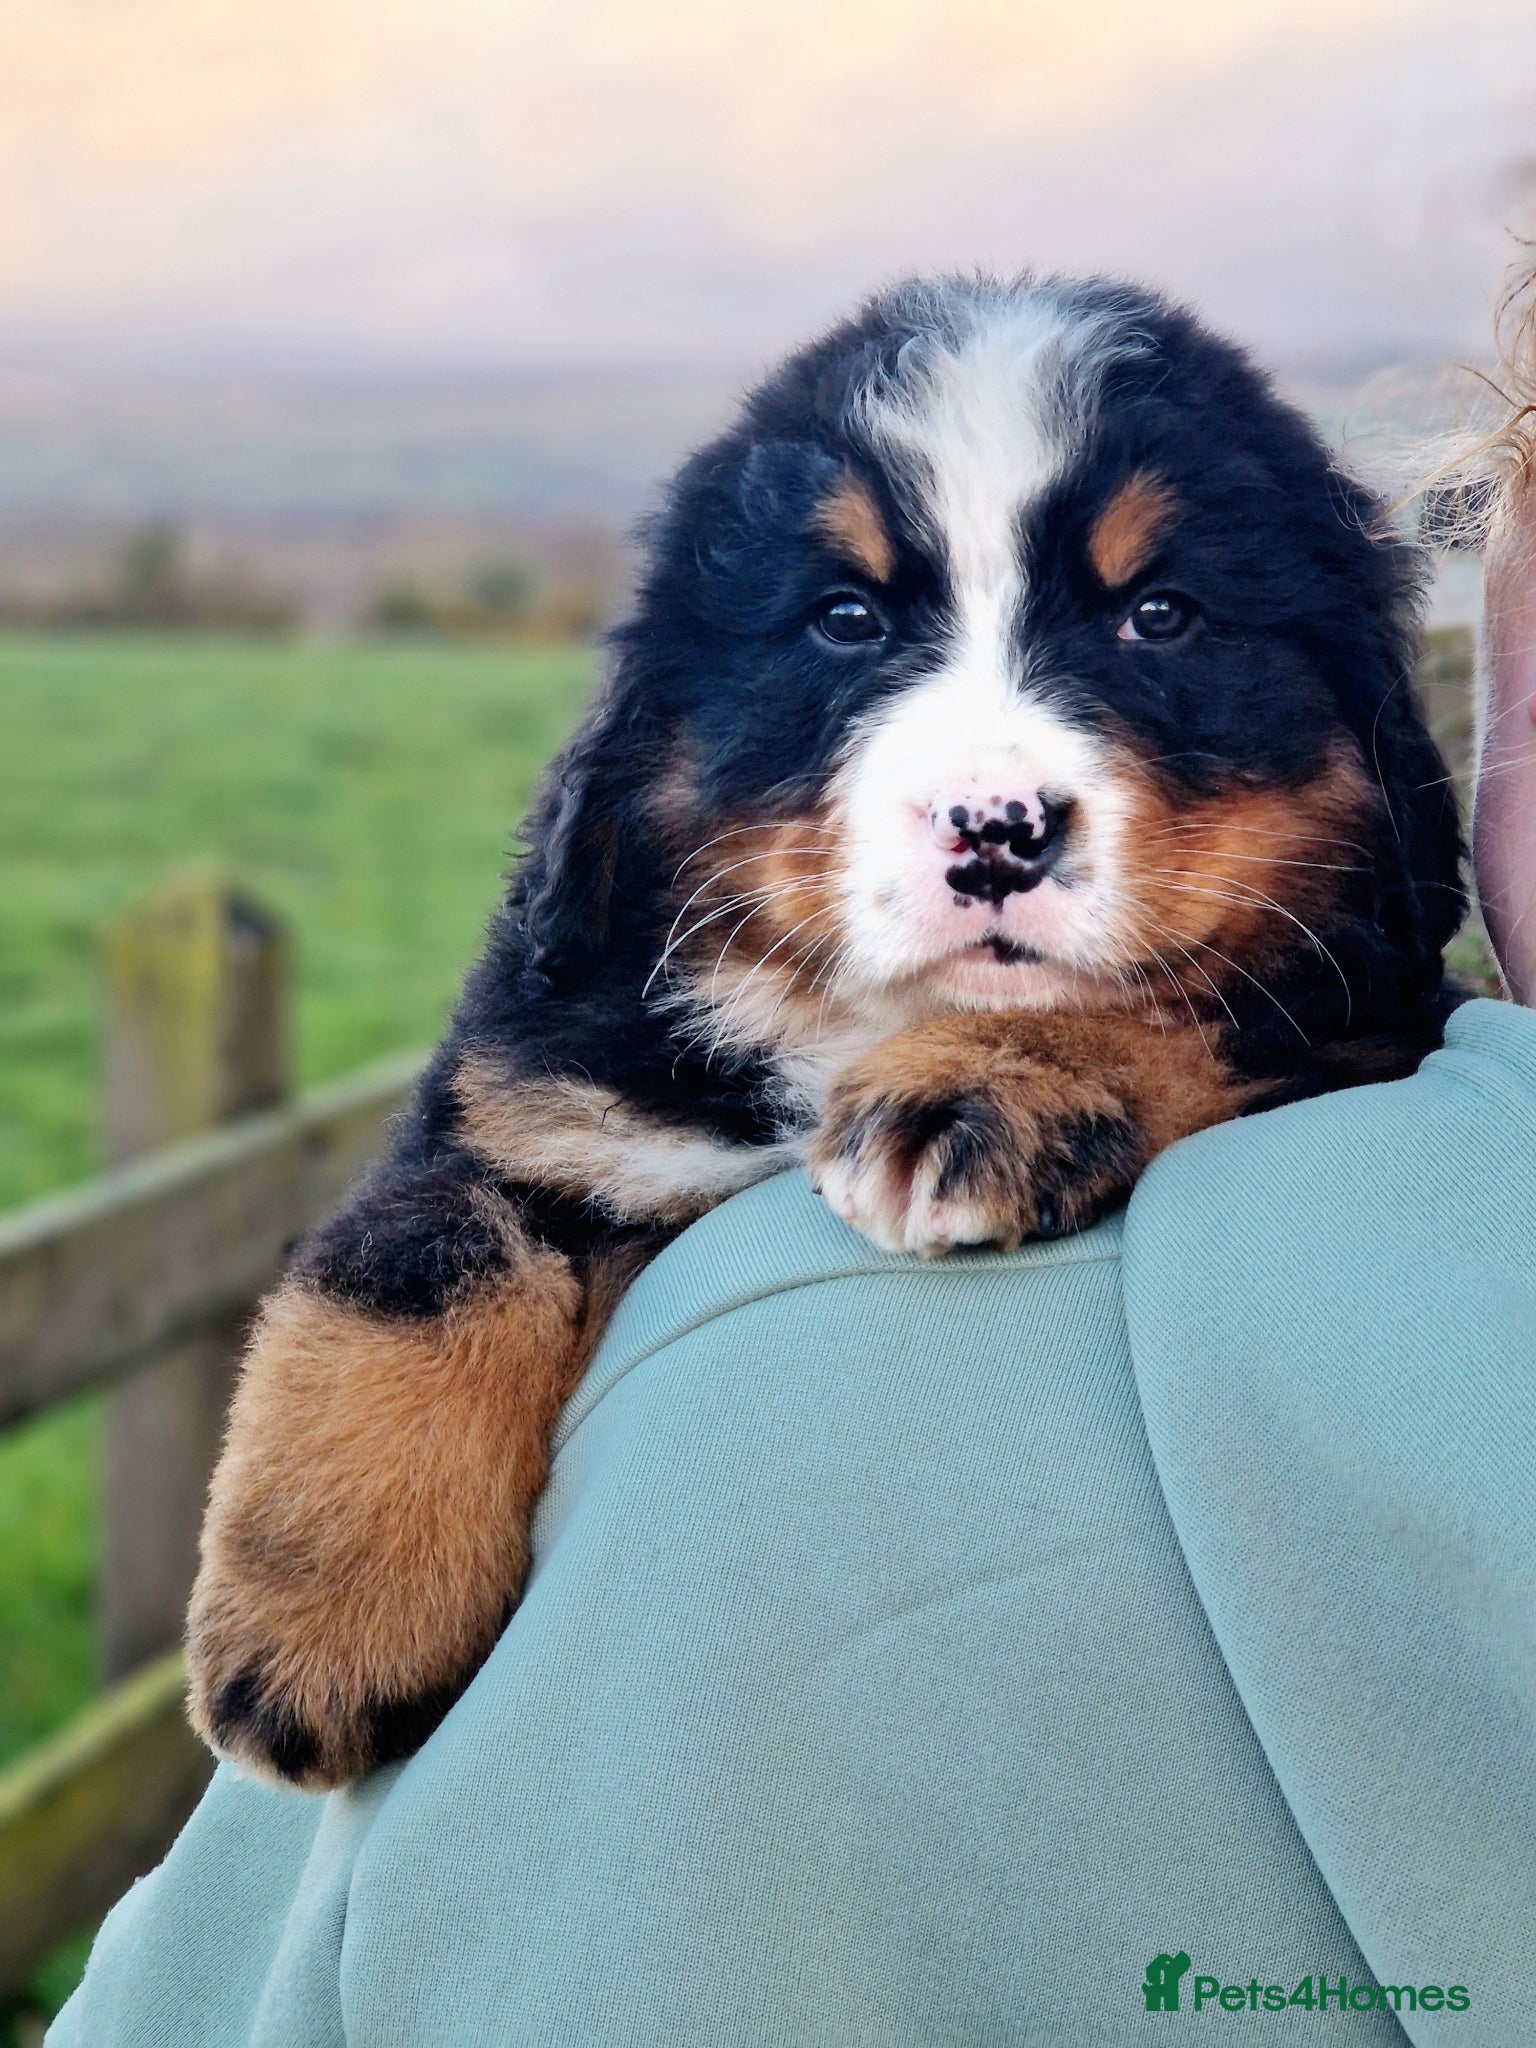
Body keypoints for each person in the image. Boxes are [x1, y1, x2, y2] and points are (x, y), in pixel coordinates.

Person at [50, 282, 1536, 2047]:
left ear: (1371, 722)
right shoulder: (624, 1022)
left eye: (1160, 614)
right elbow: (491, 1176)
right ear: (652, 747)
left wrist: (1124, 1064)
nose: (998, 782)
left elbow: (1351, 1034)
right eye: (846, 615)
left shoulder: (1346, 1057)